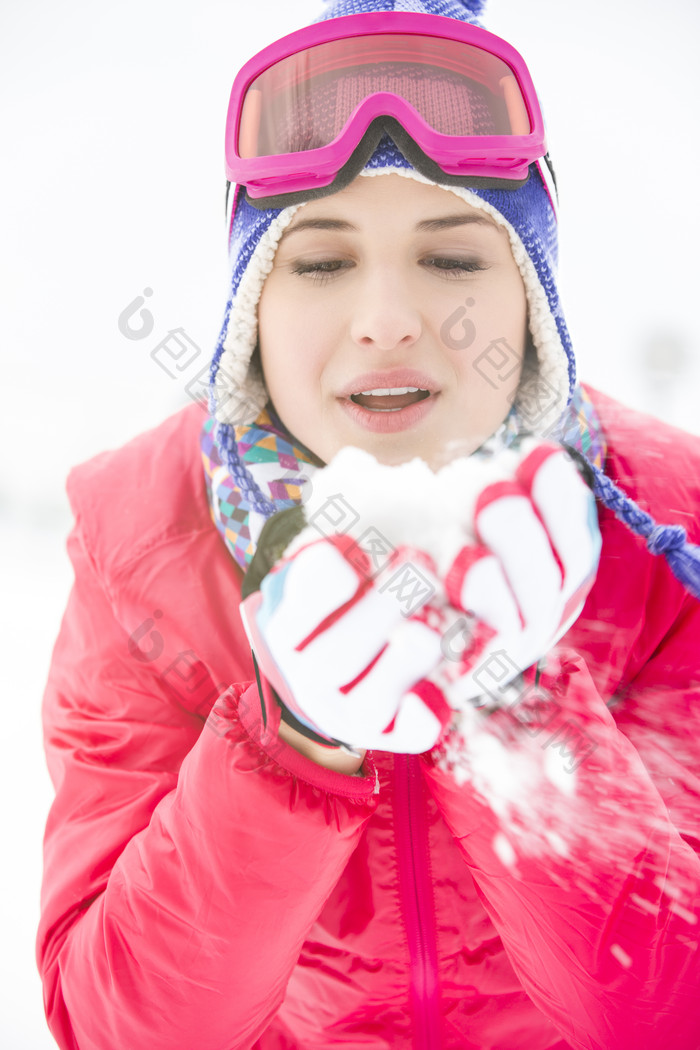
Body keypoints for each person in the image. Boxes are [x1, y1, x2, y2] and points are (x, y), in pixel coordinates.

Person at [37, 1, 700, 1048]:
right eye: (319, 261)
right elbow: (117, 1025)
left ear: (533, 305)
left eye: (451, 259)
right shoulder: (141, 547)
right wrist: (289, 743)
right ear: (249, 307)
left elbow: (671, 1017)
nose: (387, 316)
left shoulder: (671, 533)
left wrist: (519, 720)